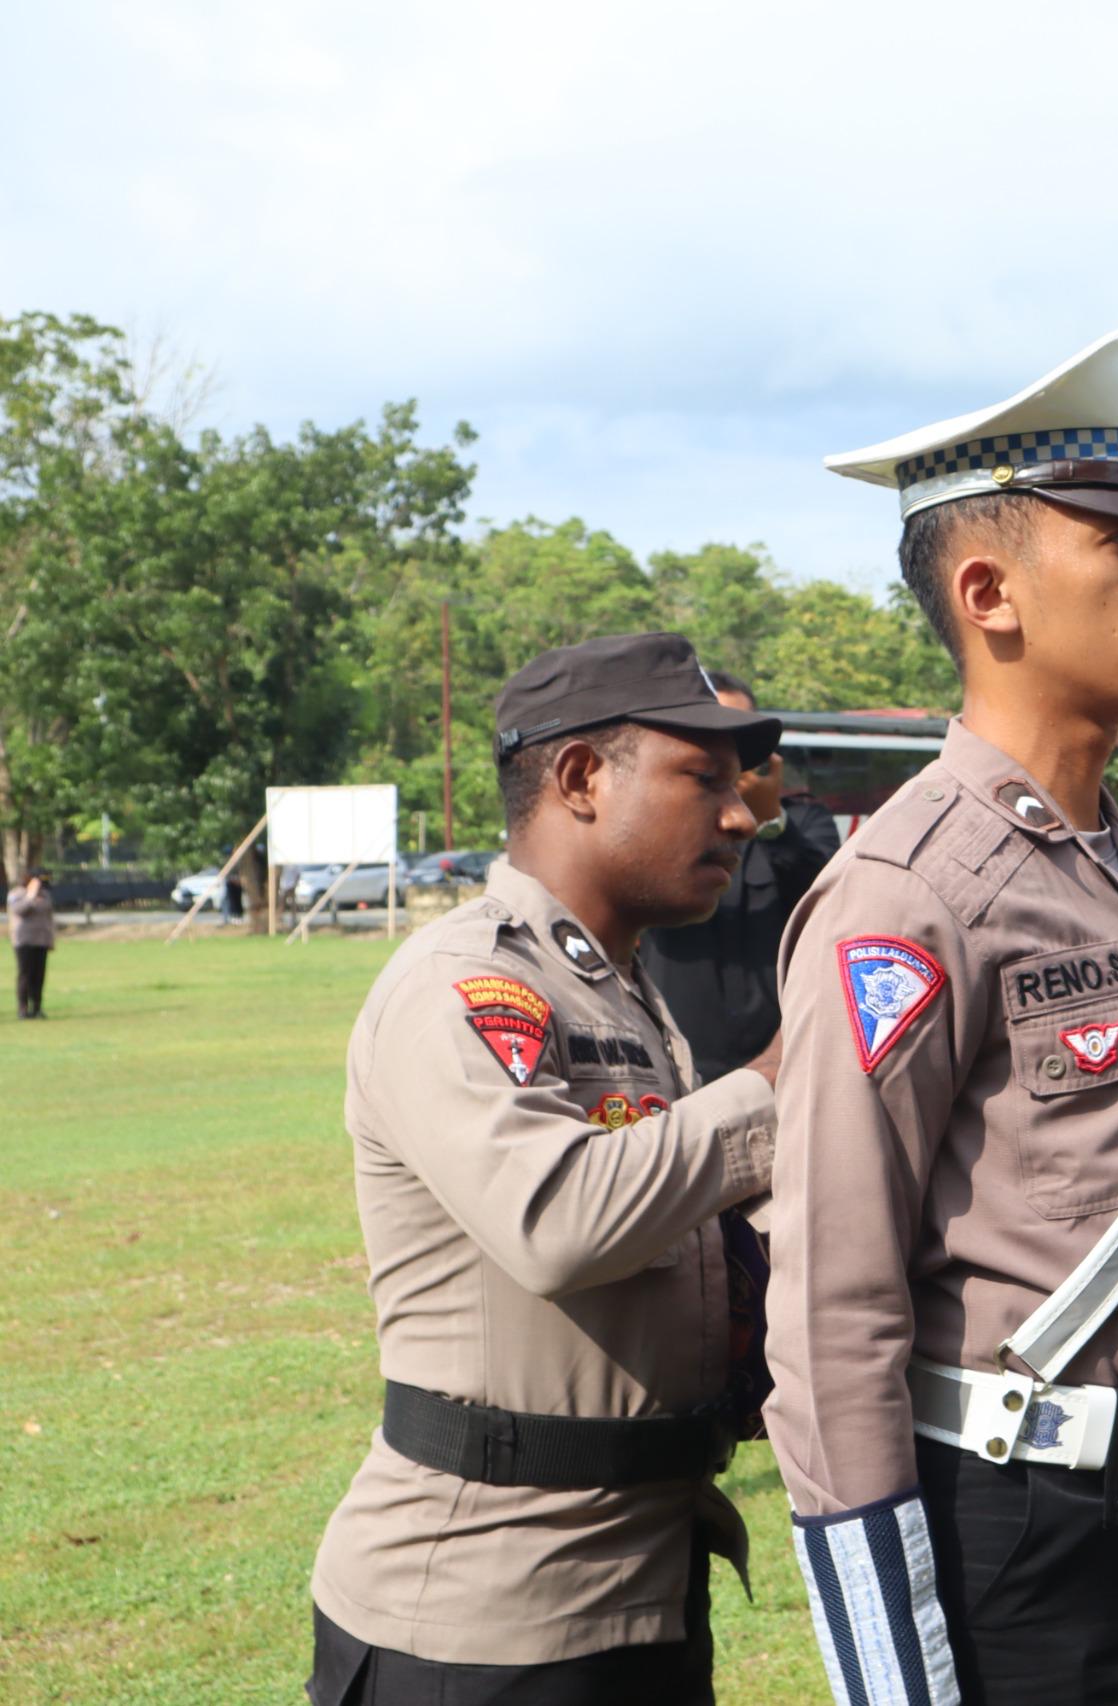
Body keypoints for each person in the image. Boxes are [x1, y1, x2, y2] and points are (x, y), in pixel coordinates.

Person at [765, 327, 1118, 1706]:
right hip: (1011, 1532)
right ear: (989, 592)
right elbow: (830, 1310)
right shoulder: (910, 892)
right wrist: (896, 1678)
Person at [306, 632, 785, 1706]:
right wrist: (780, 1080)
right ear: (579, 778)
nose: (742, 814)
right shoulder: (462, 980)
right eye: (702, 778)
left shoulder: (616, 986)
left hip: (639, 1583)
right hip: (486, 1616)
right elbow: (559, 1220)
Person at [638, 670, 843, 1080]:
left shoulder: (803, 819)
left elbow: (831, 901)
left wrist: (770, 819)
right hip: (679, 1058)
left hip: (780, 1059)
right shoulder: (661, 819)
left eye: (738, 731)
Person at [12, 870, 55, 1019]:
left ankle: (37, 1008)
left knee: (39, 976)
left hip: (41, 941)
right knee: (25, 975)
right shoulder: (17, 894)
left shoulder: (45, 895)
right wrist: (30, 895)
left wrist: (50, 939)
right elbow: (19, 911)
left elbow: (48, 919)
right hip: (24, 941)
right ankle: (23, 1009)